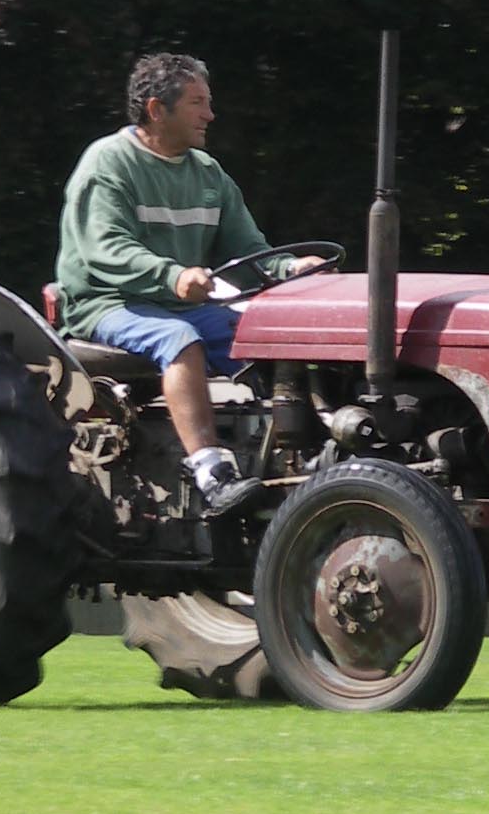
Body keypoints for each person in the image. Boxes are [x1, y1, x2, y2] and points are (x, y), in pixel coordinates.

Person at [55, 53, 322, 511]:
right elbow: (105, 250)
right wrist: (173, 276)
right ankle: (210, 471)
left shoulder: (207, 173)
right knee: (180, 339)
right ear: (158, 110)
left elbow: (247, 252)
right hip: (107, 303)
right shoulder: (108, 163)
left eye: (209, 102)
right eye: (198, 103)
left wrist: (288, 270)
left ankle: (303, 456)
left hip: (175, 301)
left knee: (267, 337)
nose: (210, 115)